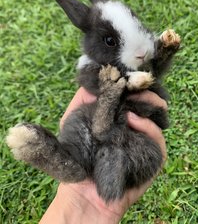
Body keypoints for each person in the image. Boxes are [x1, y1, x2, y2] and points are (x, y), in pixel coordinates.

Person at [39, 87, 167, 224]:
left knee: (144, 153)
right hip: (98, 135)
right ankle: (66, 160)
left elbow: (161, 118)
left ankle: (76, 160)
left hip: (127, 149)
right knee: (82, 124)